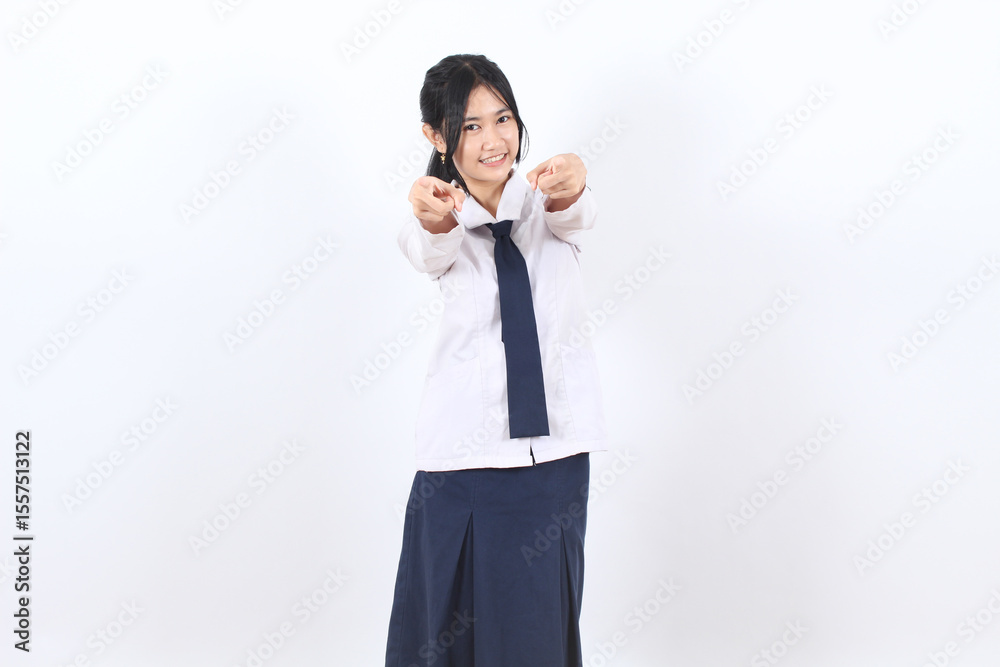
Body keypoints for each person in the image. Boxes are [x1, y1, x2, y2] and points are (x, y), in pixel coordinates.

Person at [385, 53, 609, 667]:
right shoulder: (441, 224)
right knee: (445, 636)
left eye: (502, 118)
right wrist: (431, 213)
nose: (493, 140)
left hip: (554, 457)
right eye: (470, 125)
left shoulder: (548, 209)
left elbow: (577, 209)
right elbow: (428, 246)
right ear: (436, 137)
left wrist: (576, 180)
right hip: (462, 462)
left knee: (536, 635)